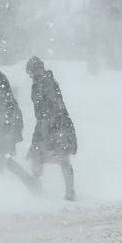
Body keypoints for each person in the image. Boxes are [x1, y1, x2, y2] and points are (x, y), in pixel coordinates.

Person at [26, 56, 77, 201]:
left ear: (35, 70)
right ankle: (37, 190)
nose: (29, 76)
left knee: (62, 157)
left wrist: (50, 123)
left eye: (30, 72)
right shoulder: (37, 83)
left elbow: (55, 105)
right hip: (44, 124)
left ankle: (69, 192)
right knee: (37, 154)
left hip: (57, 124)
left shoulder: (47, 82)